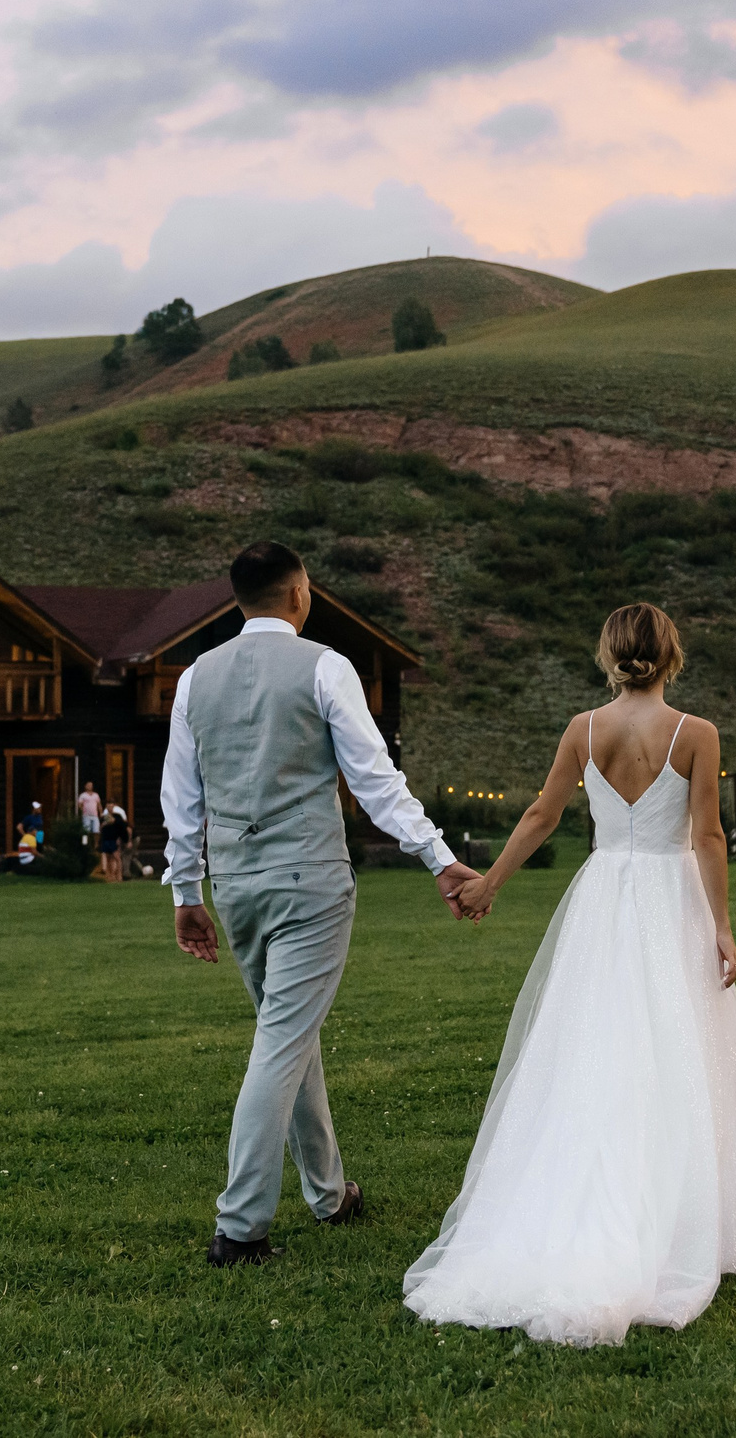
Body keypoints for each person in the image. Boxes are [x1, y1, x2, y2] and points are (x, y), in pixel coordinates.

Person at [404, 601, 736, 1347]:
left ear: (610, 657)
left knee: (589, 1053)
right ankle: (668, 1222)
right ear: (671, 656)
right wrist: (724, 926)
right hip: (670, 903)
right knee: (675, 1057)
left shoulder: (584, 729)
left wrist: (490, 885)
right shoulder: (696, 734)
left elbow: (542, 815)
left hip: (603, 900)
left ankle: (581, 1202)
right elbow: (706, 836)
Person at [164, 540, 478, 1268]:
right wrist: (439, 857)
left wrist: (187, 891)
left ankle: (330, 1193)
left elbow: (182, 798)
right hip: (309, 884)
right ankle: (239, 1228)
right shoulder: (326, 667)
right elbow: (375, 780)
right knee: (279, 1043)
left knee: (288, 1032)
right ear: (300, 594)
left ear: (238, 600)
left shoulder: (193, 679)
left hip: (236, 887)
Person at [100, 802, 132, 880]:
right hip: (106, 839)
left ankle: (119, 875)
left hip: (114, 839)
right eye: (108, 806)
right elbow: (101, 827)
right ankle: (109, 876)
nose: (110, 808)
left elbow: (122, 827)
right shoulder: (103, 817)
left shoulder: (117, 817)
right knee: (108, 858)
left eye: (111, 806)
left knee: (117, 857)